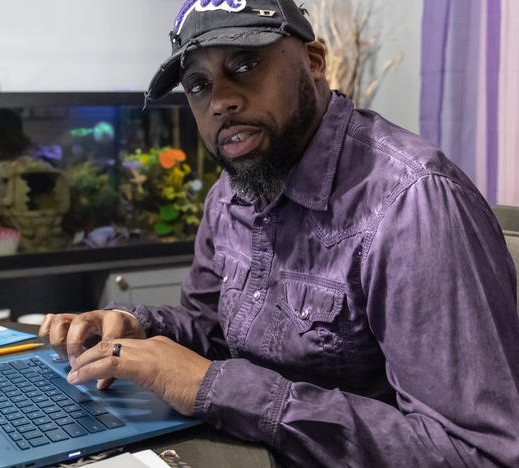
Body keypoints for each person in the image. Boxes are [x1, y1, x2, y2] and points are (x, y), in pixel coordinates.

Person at [39, 0, 519, 465]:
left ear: (314, 61)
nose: (221, 101)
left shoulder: (412, 204)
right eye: (198, 84)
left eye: (245, 64)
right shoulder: (230, 193)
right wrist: (138, 325)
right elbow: (213, 330)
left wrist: (215, 387)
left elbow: (474, 453)